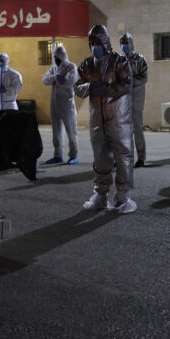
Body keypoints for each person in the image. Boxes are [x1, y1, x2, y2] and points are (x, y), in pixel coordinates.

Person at [74, 25, 136, 213]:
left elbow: (127, 84)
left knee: (122, 155)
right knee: (100, 156)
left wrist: (107, 90)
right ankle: (100, 195)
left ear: (106, 42)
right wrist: (89, 88)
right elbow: (77, 86)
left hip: (118, 119)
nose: (95, 46)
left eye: (98, 42)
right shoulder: (87, 65)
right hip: (97, 119)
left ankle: (123, 196)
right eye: (92, 43)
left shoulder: (119, 61)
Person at [41, 45, 79, 165]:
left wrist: (57, 80)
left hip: (67, 103)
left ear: (63, 56)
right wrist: (56, 78)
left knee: (71, 130)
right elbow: (45, 80)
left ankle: (73, 155)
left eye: (58, 56)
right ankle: (58, 155)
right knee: (56, 130)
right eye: (55, 57)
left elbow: (71, 81)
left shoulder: (71, 66)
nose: (56, 59)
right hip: (54, 102)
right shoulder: (53, 68)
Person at [119, 33, 148, 168]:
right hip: (122, 100)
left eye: (126, 43)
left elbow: (144, 77)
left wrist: (129, 81)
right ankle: (124, 157)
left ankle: (141, 158)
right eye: (122, 43)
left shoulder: (139, 59)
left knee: (137, 129)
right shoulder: (119, 60)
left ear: (131, 43)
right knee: (123, 131)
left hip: (136, 99)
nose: (124, 46)